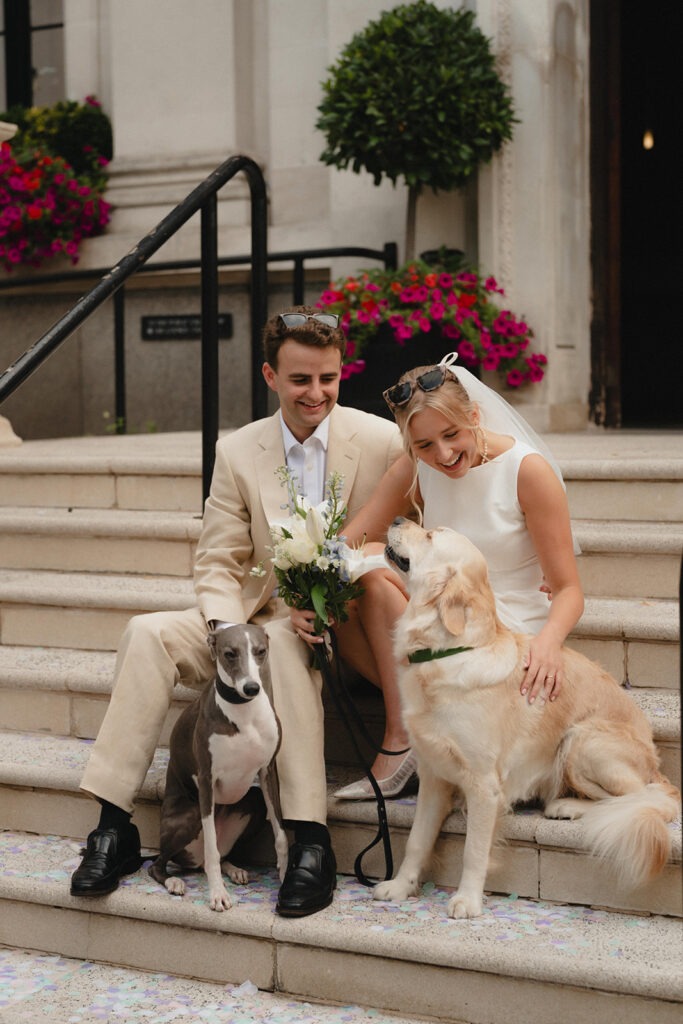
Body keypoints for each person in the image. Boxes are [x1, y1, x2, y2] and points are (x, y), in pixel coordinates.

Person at [69, 306, 404, 916]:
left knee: (287, 644)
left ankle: (309, 839)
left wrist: (339, 590)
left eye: (328, 378)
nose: (317, 393)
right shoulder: (238, 449)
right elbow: (218, 558)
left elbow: (406, 536)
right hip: (245, 617)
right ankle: (114, 825)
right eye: (301, 379)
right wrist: (226, 629)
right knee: (146, 633)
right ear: (270, 376)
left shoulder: (382, 440)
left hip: (338, 624)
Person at [291, 352, 584, 800]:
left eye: (452, 435)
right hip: (445, 614)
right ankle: (413, 723)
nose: (442, 455)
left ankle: (401, 734)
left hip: (502, 626)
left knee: (371, 568)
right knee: (354, 572)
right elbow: (346, 543)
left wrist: (549, 643)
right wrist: (302, 591)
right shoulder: (418, 465)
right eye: (424, 446)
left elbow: (568, 590)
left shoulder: (527, 472)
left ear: (474, 415)